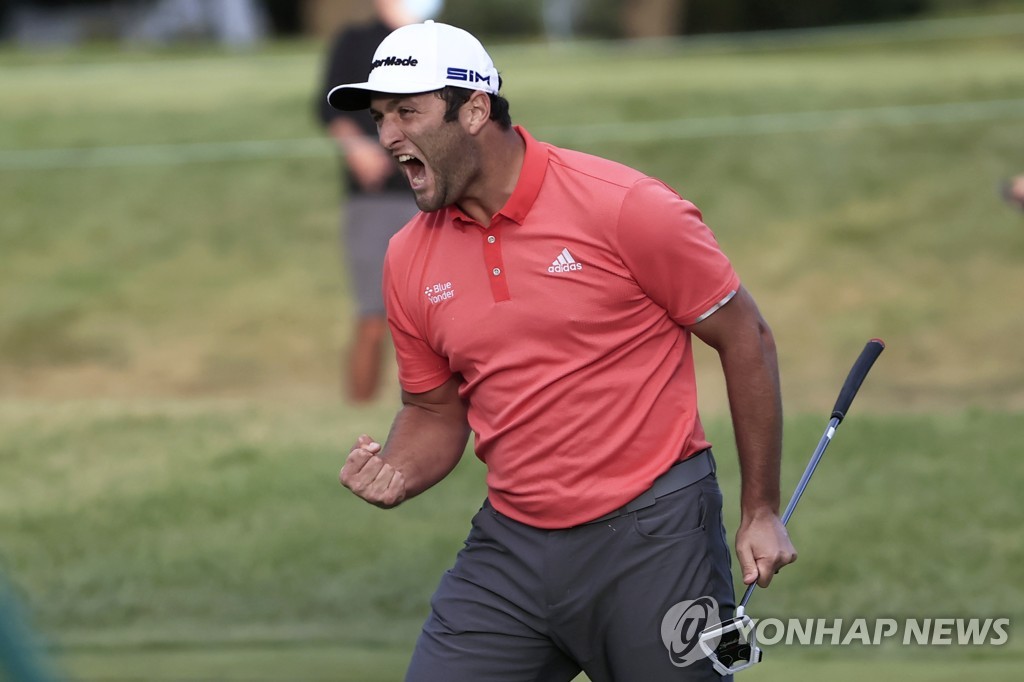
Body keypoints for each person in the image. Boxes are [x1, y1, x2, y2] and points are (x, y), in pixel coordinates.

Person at [329, 20, 797, 681]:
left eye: (408, 111)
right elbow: (434, 411)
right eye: (380, 117)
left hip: (655, 539)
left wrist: (760, 510)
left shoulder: (625, 206)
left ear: (474, 110)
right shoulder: (407, 255)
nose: (388, 136)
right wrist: (397, 470)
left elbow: (745, 336)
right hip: (512, 549)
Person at [316, 0, 442, 403]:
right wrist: (357, 149)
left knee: (444, 313)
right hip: (375, 197)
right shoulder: (354, 41)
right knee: (372, 314)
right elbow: (328, 105)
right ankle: (358, 410)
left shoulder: (442, 41)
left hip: (436, 198)